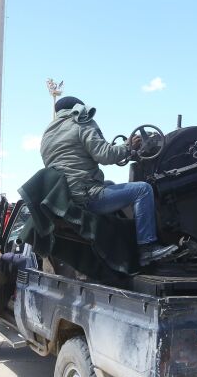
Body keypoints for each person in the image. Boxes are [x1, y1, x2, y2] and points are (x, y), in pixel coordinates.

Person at [40, 96, 178, 266]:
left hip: (67, 197)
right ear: (77, 107)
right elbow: (104, 155)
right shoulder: (81, 121)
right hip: (86, 195)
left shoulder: (49, 133)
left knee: (111, 185)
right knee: (143, 190)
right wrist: (128, 147)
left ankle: (120, 245)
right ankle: (147, 248)